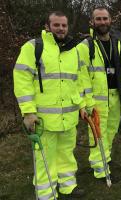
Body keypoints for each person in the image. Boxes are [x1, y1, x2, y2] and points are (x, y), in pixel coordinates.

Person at [14, 11, 90, 199]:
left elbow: (77, 81)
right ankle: (46, 194)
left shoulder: (74, 50)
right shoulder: (33, 47)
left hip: (69, 117)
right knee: (44, 159)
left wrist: (82, 105)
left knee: (66, 154)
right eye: (56, 25)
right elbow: (22, 80)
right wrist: (28, 112)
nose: (61, 29)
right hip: (44, 120)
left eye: (64, 25)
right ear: (47, 27)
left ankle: (67, 187)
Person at [77, 6, 121, 182]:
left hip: (114, 96)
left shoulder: (117, 42)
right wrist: (87, 102)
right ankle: (100, 169)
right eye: (98, 19)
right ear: (92, 22)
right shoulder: (86, 46)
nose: (102, 22)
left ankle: (105, 159)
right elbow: (81, 77)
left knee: (111, 130)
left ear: (110, 20)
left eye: (105, 18)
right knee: (98, 133)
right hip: (96, 100)